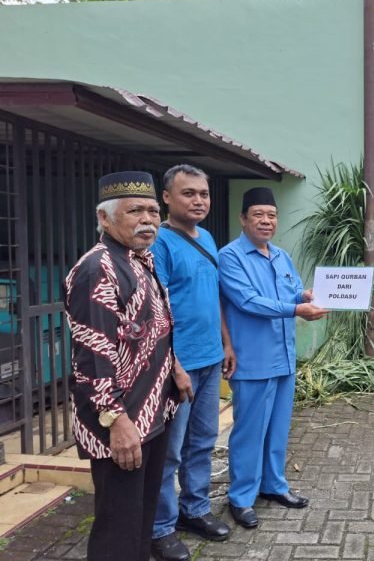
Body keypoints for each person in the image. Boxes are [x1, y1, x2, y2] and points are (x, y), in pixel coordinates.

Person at [64, 171, 193, 561]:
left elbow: (154, 328)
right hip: (120, 421)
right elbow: (93, 356)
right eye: (134, 211)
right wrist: (116, 423)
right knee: (117, 526)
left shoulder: (140, 260)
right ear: (105, 219)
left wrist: (176, 368)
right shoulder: (97, 269)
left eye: (153, 211)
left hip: (151, 412)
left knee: (141, 516)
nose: (148, 220)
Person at [219, 187, 328, 529]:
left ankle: (273, 486)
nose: (266, 221)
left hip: (283, 358)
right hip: (252, 361)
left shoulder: (281, 256)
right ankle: (240, 497)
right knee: (249, 432)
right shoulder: (230, 257)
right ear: (243, 219)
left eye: (271, 215)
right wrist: (297, 307)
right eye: (259, 215)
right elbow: (247, 301)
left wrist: (306, 294)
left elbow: (292, 290)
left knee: (278, 429)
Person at [150, 165, 236, 561]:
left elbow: (213, 295)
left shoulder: (208, 237)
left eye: (203, 193)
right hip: (178, 366)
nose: (198, 200)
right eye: (188, 193)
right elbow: (156, 311)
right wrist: (173, 365)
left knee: (202, 442)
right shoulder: (160, 244)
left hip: (209, 357)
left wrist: (226, 343)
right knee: (170, 450)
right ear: (167, 197)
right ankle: (160, 527)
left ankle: (195, 509)